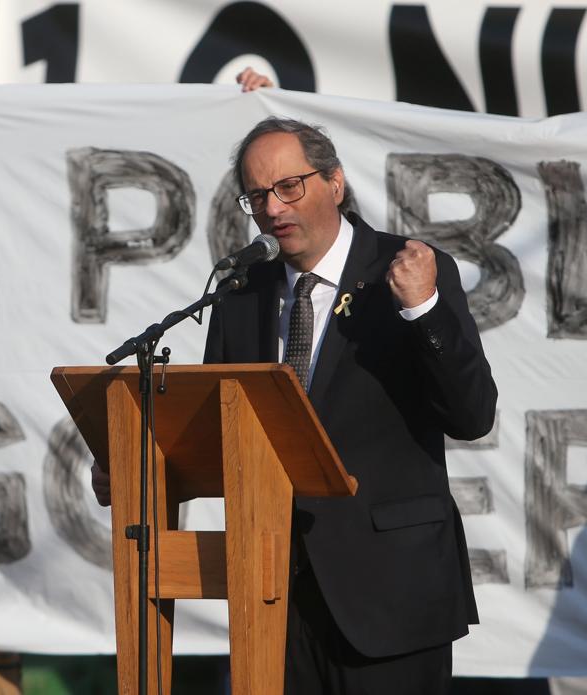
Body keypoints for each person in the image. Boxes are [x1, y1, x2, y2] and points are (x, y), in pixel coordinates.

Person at [93, 117, 497, 694]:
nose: (273, 208)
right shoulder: (240, 291)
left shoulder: (407, 270)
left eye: (289, 187)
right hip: (273, 596)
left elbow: (472, 414)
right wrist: (139, 468)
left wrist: (422, 311)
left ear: (334, 182)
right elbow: (215, 435)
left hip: (392, 594)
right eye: (257, 195)